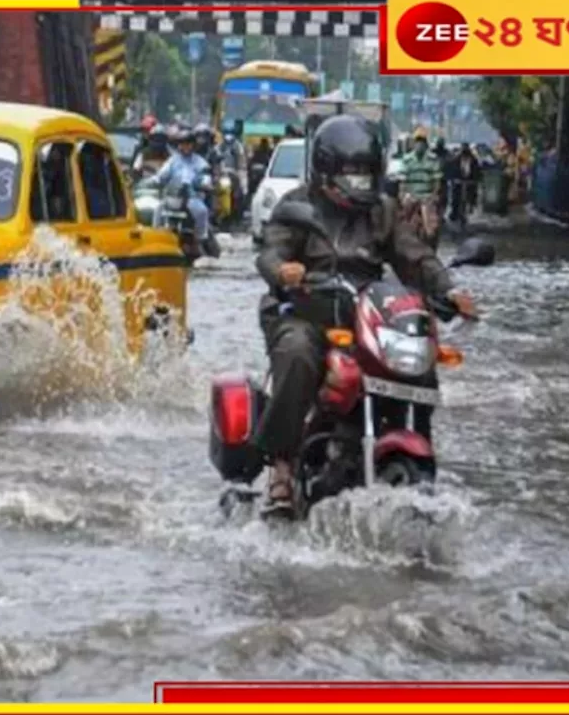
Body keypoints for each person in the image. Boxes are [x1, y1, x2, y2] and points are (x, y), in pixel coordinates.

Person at [253, 114, 477, 514]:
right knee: (299, 353)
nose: (362, 183)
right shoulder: (297, 207)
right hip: (304, 308)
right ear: (326, 171)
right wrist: (283, 271)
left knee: (419, 360)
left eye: (367, 174)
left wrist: (449, 290)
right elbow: (271, 250)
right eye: (352, 174)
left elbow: (415, 257)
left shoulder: (383, 211)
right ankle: (282, 467)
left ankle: (412, 440)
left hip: (364, 313)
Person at [141, 127, 211, 246]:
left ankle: (200, 239)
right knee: (157, 208)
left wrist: (204, 183)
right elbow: (162, 175)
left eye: (188, 144)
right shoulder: (173, 160)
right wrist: (151, 181)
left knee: (202, 211)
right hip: (172, 197)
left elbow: (205, 176)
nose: (185, 147)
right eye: (182, 144)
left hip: (191, 198)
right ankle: (155, 237)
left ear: (193, 145)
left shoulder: (200, 162)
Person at [399, 127, 442, 243]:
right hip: (411, 195)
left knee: (430, 227)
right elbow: (403, 182)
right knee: (401, 220)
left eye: (422, 142)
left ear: (425, 144)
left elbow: (437, 183)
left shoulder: (432, 160)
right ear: (414, 143)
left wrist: (433, 196)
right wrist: (404, 195)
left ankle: (429, 238)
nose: (419, 145)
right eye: (417, 142)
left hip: (427, 196)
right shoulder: (407, 160)